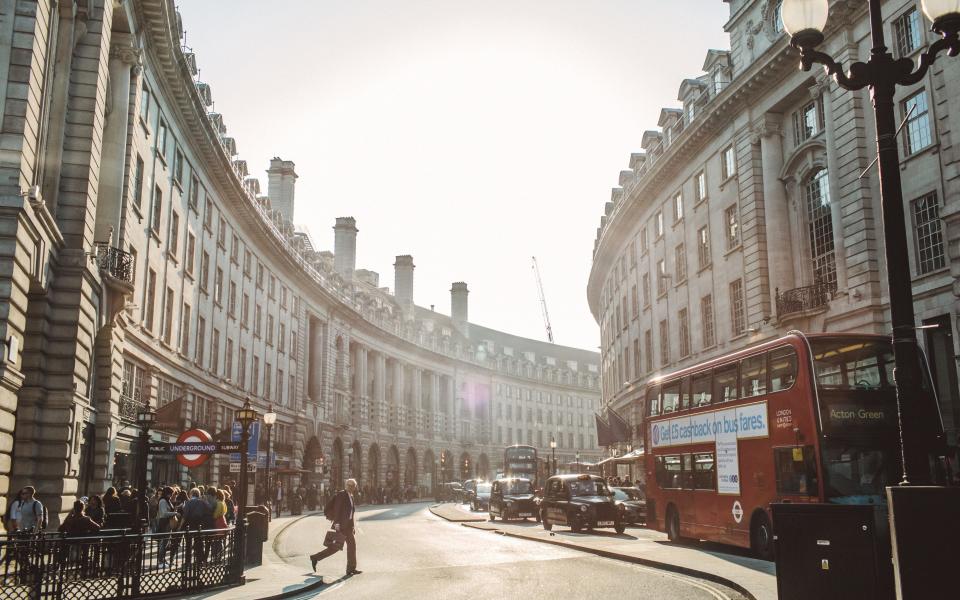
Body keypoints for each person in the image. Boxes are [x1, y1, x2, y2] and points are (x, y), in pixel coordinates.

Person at [310, 478, 360, 577]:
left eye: (352, 486)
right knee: (335, 548)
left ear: (355, 487)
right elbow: (337, 509)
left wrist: (353, 526)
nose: (351, 487)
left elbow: (351, 514)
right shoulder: (342, 495)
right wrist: (336, 523)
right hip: (341, 526)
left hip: (348, 527)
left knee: (352, 546)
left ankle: (351, 569)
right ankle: (315, 558)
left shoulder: (351, 496)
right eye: (349, 485)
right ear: (346, 485)